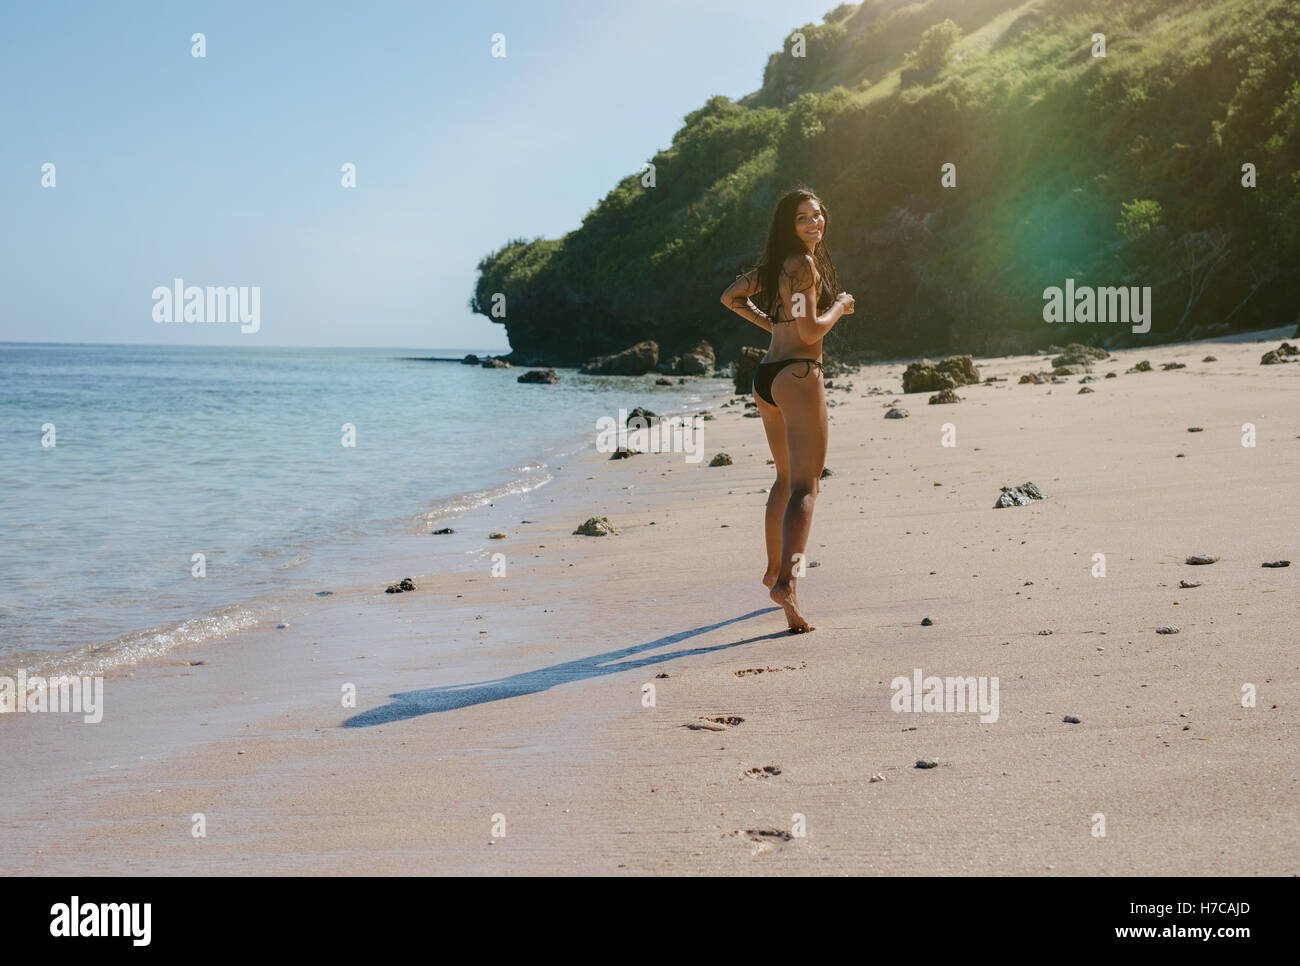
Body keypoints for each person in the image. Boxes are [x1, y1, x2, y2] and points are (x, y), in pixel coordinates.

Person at [719, 186, 854, 633]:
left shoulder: (777, 265)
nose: (814, 223)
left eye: (817, 215)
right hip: (798, 375)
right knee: (806, 488)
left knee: (783, 479)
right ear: (788, 225)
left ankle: (772, 570)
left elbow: (731, 297)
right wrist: (840, 306)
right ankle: (785, 585)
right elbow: (812, 328)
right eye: (802, 218)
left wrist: (769, 323)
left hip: (766, 377)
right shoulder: (802, 264)